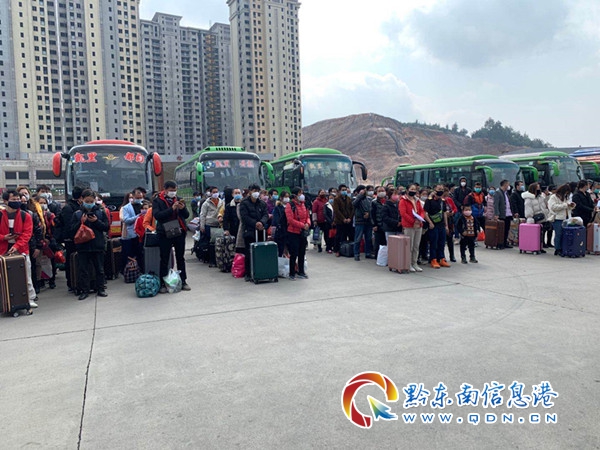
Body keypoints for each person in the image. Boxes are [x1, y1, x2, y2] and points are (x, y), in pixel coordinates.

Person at [0, 190, 38, 308]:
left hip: (21, 249)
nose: (17, 202)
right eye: (13, 200)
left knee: (26, 275)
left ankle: (30, 298)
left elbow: (27, 234)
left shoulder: (25, 215)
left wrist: (16, 246)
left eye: (18, 199)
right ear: (5, 201)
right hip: (2, 249)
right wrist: (3, 237)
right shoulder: (1, 215)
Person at [152, 181, 191, 293]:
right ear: (165, 190)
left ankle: (183, 281)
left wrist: (182, 208)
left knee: (180, 257)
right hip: (164, 232)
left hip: (179, 231)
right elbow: (158, 216)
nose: (173, 192)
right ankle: (163, 283)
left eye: (175, 190)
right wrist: (171, 209)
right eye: (171, 190)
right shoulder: (157, 201)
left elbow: (186, 215)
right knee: (164, 258)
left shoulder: (179, 199)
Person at [71, 189, 109, 300]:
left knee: (99, 269)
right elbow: (71, 230)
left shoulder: (100, 212)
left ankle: (100, 288)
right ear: (82, 200)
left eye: (91, 201)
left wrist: (96, 221)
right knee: (83, 270)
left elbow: (106, 227)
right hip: (83, 246)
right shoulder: (77, 214)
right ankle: (85, 290)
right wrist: (81, 222)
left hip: (97, 245)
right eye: (87, 201)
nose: (89, 203)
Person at [54, 186, 83, 292]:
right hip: (71, 239)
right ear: (80, 197)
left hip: (80, 238)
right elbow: (69, 226)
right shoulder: (69, 208)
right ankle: (72, 282)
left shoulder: (77, 206)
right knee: (71, 261)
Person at [239, 184, 269, 282]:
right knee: (249, 252)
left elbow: (265, 214)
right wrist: (255, 223)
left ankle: (261, 271)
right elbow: (244, 217)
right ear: (250, 191)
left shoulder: (262, 203)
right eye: (254, 190)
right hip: (249, 230)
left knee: (261, 251)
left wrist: (261, 222)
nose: (256, 193)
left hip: (261, 231)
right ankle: (248, 273)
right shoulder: (244, 203)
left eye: (257, 191)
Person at [285, 187, 311, 280]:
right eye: (300, 193)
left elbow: (308, 216)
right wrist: (302, 225)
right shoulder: (290, 205)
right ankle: (292, 273)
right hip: (293, 232)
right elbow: (290, 220)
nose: (302, 195)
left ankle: (301, 271)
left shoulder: (304, 204)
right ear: (295, 195)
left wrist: (308, 223)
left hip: (302, 232)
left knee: (302, 252)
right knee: (293, 253)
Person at [424, 185, 451, 268]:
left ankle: (441, 258)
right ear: (434, 189)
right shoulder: (429, 201)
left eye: (442, 189)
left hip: (441, 225)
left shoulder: (442, 201)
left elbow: (444, 213)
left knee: (442, 243)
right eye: (439, 189)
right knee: (434, 242)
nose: (441, 191)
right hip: (433, 225)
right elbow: (425, 213)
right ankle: (433, 259)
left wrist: (446, 225)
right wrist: (430, 222)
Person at [399, 184, 424, 272]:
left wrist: (420, 219)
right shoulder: (403, 200)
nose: (413, 191)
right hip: (409, 226)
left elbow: (421, 211)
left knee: (416, 246)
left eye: (415, 189)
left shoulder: (417, 200)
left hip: (418, 225)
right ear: (407, 190)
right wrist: (413, 221)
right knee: (410, 246)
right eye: (411, 189)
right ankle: (408, 263)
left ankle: (414, 263)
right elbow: (403, 213)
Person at [121, 187, 146, 271]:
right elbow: (126, 220)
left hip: (144, 233)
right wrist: (138, 216)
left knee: (142, 254)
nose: (139, 199)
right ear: (133, 196)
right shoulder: (126, 208)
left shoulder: (144, 205)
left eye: (141, 197)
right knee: (132, 254)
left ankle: (143, 270)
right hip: (132, 234)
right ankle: (133, 271)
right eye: (137, 198)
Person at [547, 184, 575, 256]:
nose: (567, 194)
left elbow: (566, 206)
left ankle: (563, 248)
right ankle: (557, 249)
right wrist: (565, 205)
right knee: (558, 234)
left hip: (566, 218)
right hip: (557, 218)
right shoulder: (553, 197)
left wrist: (571, 206)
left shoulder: (565, 197)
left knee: (564, 234)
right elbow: (553, 207)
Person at [37, 194, 58, 289]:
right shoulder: (36, 215)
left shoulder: (50, 215)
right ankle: (41, 280)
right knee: (40, 262)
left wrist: (50, 238)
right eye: (40, 203)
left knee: (51, 261)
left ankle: (52, 280)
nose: (42, 205)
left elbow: (55, 227)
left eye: (44, 203)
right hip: (39, 241)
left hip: (50, 241)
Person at [522, 182, 550, 254]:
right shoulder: (529, 198)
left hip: (542, 217)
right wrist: (530, 217)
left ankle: (540, 247)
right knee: (535, 235)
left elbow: (545, 205)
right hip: (535, 218)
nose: (539, 189)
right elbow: (528, 209)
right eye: (537, 187)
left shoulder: (540, 197)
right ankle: (534, 246)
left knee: (541, 234)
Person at [352, 185, 374, 261]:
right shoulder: (356, 199)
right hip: (360, 221)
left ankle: (368, 253)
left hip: (368, 221)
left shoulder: (369, 199)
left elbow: (371, 208)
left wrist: (368, 214)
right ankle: (356, 254)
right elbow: (354, 204)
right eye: (363, 190)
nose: (365, 191)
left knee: (368, 238)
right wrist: (360, 196)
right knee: (358, 238)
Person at [333, 184, 354, 257]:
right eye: (343, 190)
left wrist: (350, 218)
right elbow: (337, 211)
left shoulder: (349, 198)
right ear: (339, 191)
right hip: (340, 221)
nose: (344, 191)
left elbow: (352, 209)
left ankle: (349, 250)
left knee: (350, 235)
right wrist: (343, 219)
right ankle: (337, 250)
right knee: (339, 236)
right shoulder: (336, 199)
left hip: (349, 220)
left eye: (345, 190)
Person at [493, 180, 513, 249]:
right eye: (508, 184)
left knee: (506, 229)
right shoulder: (498, 192)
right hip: (501, 214)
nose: (509, 186)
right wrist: (496, 214)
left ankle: (505, 242)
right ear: (504, 185)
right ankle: (500, 243)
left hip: (508, 214)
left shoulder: (506, 193)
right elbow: (496, 204)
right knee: (501, 230)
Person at [272, 191, 290, 257]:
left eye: (288, 197)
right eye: (285, 197)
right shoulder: (278, 208)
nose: (287, 198)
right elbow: (276, 221)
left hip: (289, 231)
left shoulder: (290, 207)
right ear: (281, 198)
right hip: (281, 232)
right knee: (281, 250)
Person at [371, 186, 387, 258]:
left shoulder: (388, 201)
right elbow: (372, 214)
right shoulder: (374, 202)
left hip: (386, 225)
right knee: (378, 241)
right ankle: (377, 256)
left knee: (385, 241)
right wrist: (374, 225)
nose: (381, 192)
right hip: (378, 224)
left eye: (382, 191)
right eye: (379, 191)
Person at [311, 189, 328, 253]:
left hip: (326, 220)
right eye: (321, 192)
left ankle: (328, 246)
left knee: (326, 234)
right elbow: (314, 211)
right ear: (319, 194)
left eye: (324, 192)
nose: (323, 193)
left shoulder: (327, 201)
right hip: (319, 220)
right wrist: (315, 220)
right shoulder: (316, 202)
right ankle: (319, 247)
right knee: (318, 234)